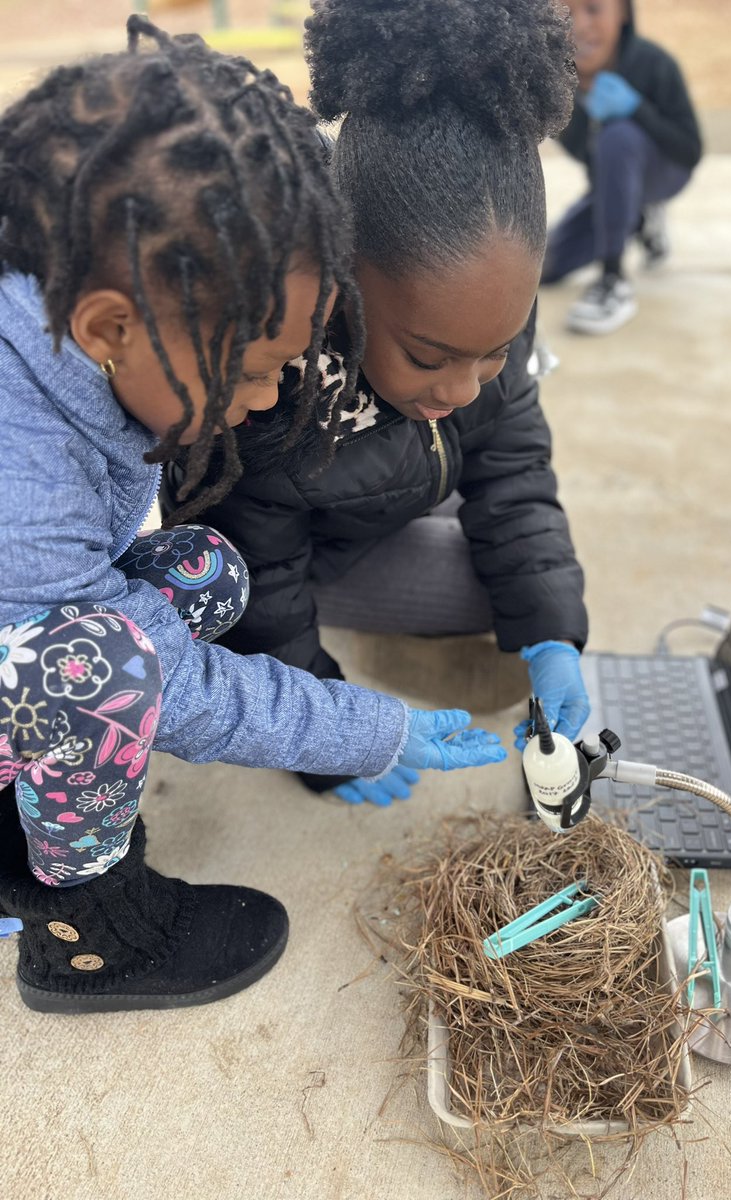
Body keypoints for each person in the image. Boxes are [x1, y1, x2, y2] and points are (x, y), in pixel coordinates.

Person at [0, 18, 506, 1015]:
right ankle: (90, 933)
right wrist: (362, 729)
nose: (273, 398)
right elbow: (152, 686)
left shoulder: (65, 336)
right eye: (257, 366)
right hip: (47, 656)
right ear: (110, 325)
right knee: (101, 675)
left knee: (202, 570)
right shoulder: (19, 458)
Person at [167, 0, 592, 810]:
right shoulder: (270, 382)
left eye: (496, 350)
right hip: (300, 552)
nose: (467, 386)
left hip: (391, 491)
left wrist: (549, 631)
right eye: (429, 357)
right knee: (460, 596)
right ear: (341, 283)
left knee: (531, 591)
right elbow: (261, 588)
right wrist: (332, 734)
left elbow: (512, 458)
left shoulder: (484, 304)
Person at [543, 0, 702, 335]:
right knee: (543, 267)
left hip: (665, 170)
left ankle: (612, 280)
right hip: (611, 183)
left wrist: (637, 110)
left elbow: (690, 151)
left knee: (618, 136)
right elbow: (592, 168)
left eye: (593, 9)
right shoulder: (554, 84)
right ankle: (639, 217)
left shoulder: (654, 63)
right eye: (565, 12)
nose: (580, 25)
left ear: (624, 12)